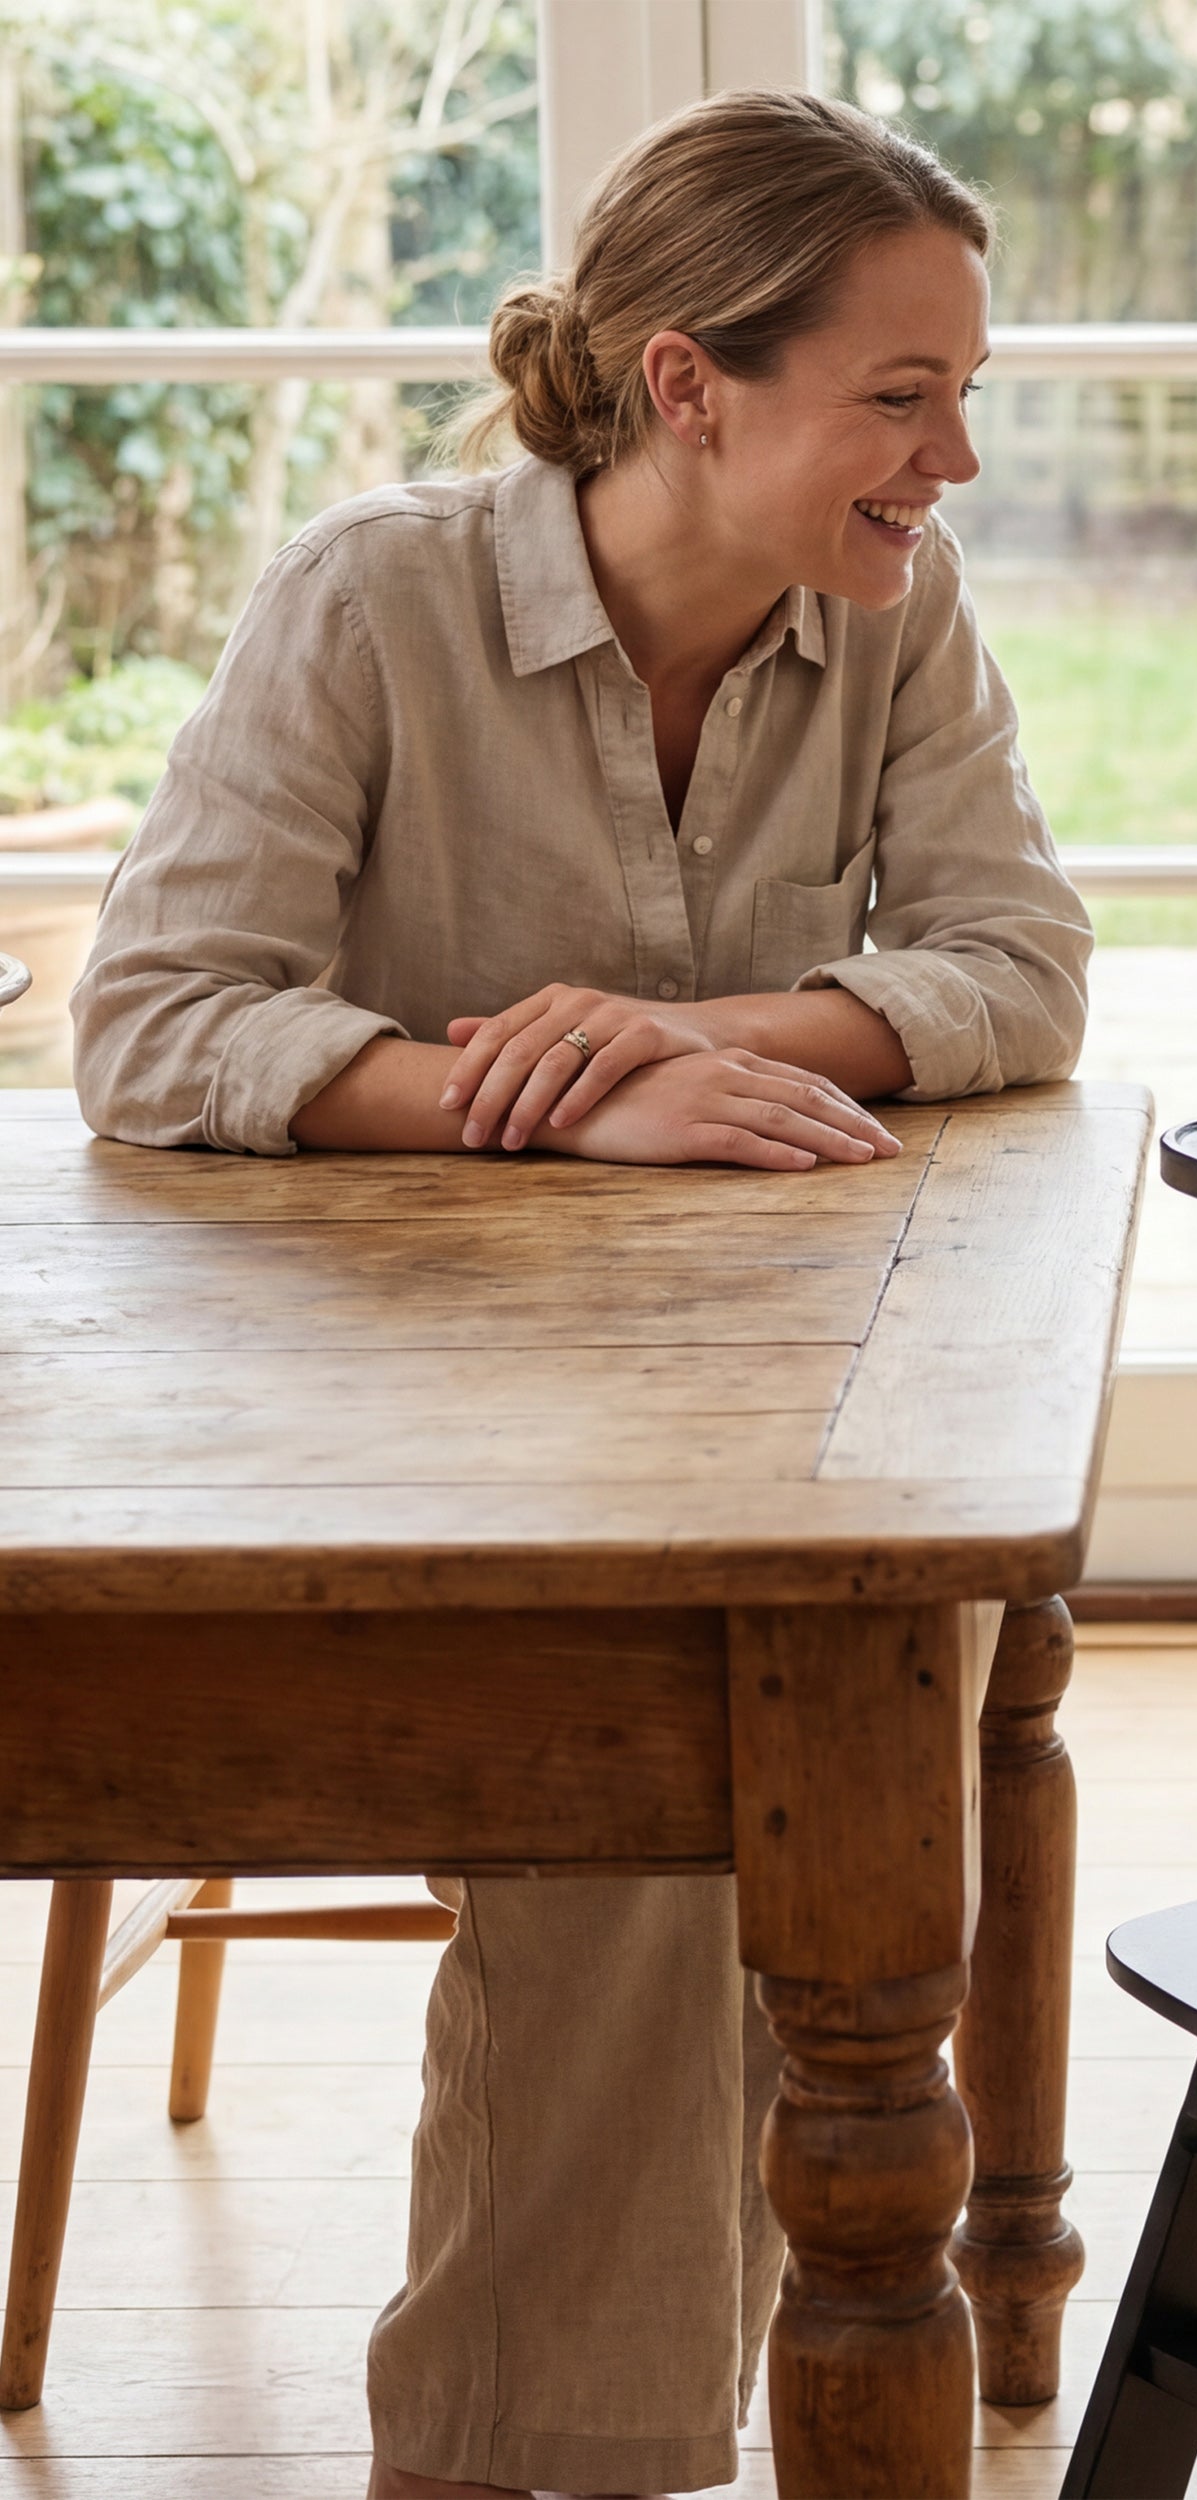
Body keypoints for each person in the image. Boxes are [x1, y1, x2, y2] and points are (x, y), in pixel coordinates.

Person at [71, 88, 1089, 2500]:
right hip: (378, 1398)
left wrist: (700, 1040)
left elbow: (1018, 965)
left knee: (850, 1677)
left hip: (784, 1382)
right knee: (679, 1775)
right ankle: (542, 2452)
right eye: (903, 393)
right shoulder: (374, 595)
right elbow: (151, 1021)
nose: (950, 459)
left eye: (965, 394)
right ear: (685, 384)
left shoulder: (896, 614)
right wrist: (524, 1098)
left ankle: (549, 2435)